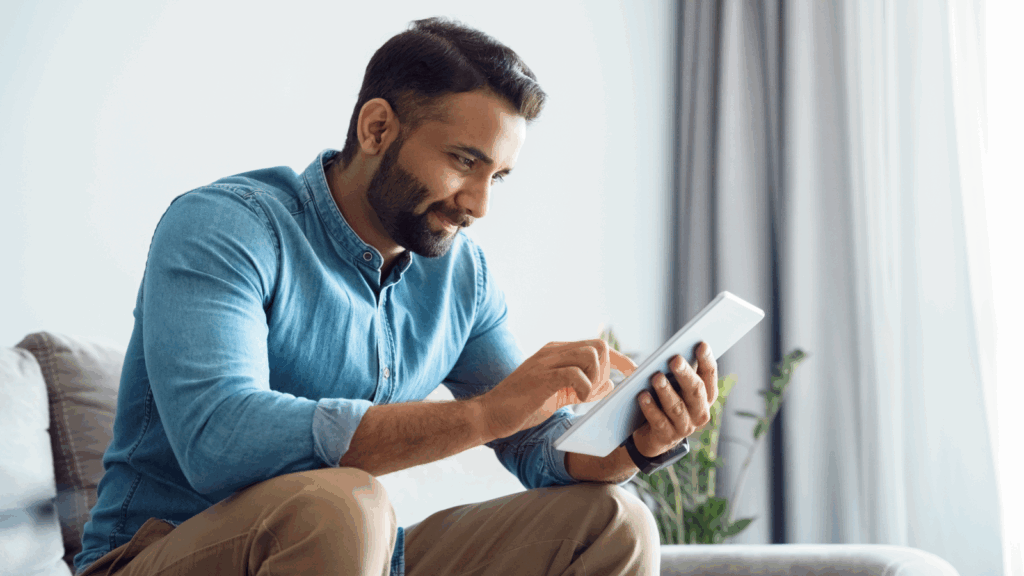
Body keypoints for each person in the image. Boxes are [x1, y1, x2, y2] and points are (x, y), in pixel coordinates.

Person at [74, 17, 718, 576]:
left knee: (612, 521)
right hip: (159, 555)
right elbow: (220, 443)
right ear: (378, 128)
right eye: (464, 161)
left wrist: (639, 439)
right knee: (341, 503)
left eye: (497, 176)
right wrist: (485, 414)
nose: (480, 204)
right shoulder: (228, 226)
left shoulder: (460, 276)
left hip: (351, 551)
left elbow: (536, 450)